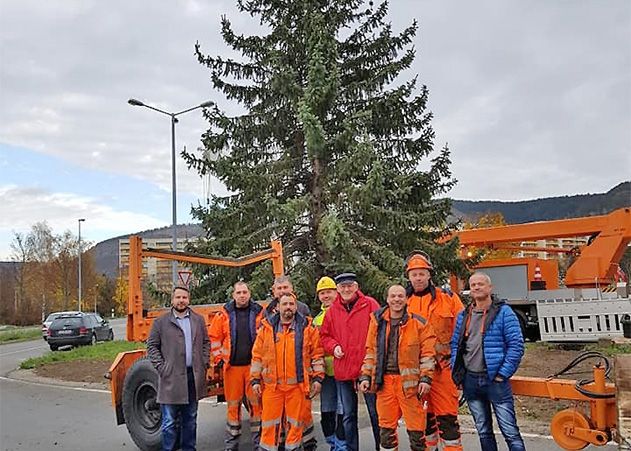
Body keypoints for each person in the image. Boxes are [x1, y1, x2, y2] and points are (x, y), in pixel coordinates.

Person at [451, 272, 526, 451]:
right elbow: (455, 344)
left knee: (510, 431)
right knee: (483, 431)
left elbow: (516, 345)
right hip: (471, 382)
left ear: (490, 288)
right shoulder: (464, 315)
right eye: (473, 285)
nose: (477, 287)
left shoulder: (504, 313)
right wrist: (458, 372)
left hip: (495, 382)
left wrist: (502, 374)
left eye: (481, 284)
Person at [359, 284, 437, 451]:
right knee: (386, 431)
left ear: (406, 299)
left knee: (417, 432)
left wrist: (425, 378)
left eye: (400, 296)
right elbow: (371, 351)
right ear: (387, 299)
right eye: (393, 296)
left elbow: (428, 354)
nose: (396, 299)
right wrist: (365, 376)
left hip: (410, 385)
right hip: (384, 384)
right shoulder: (377, 321)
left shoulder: (419, 323)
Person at [250, 293, 325, 451]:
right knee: (269, 428)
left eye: (291, 304)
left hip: (296, 388)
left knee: (295, 427)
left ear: (296, 306)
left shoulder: (307, 328)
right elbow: (257, 356)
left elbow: (316, 354)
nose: (288, 307)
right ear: (277, 307)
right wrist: (255, 380)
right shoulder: (267, 329)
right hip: (272, 388)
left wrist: (318, 379)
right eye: (284, 304)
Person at [405, 252, 464, 451]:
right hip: (415, 372)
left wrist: (460, 365)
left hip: (443, 370)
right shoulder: (403, 303)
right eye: (414, 274)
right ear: (409, 277)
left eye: (422, 273)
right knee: (424, 423)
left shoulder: (448, 298)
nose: (418, 278)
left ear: (429, 275)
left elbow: (463, 332)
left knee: (448, 421)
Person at [319, 272, 381, 451]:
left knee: (375, 414)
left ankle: (381, 447)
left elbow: (381, 329)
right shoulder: (332, 311)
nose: (346, 289)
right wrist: (333, 346)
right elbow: (324, 336)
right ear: (338, 289)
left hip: (367, 369)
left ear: (356, 287)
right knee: (348, 415)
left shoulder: (369, 304)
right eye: (342, 286)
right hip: (344, 369)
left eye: (349, 285)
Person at [146, 286, 210, 451]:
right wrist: (162, 367)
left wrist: (204, 362)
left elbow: (206, 343)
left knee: (191, 419)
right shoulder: (160, 323)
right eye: (178, 297)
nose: (181, 300)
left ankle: (189, 448)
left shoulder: (198, 320)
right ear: (172, 300)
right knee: (169, 422)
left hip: (192, 378)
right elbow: (152, 346)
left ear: (189, 300)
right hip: (170, 379)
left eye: (184, 297)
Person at [264, 274, 317, 450]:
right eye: (279, 289)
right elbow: (260, 353)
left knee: (300, 418)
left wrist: (316, 377)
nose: (282, 292)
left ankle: (307, 443)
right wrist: (257, 378)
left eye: (285, 288)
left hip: (299, 383)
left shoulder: (304, 317)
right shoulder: (267, 320)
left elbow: (314, 351)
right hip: (275, 385)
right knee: (272, 424)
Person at [209, 281, 264, 450]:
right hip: (232, 369)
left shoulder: (259, 313)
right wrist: (218, 359)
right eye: (239, 292)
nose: (242, 295)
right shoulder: (224, 315)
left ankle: (259, 443)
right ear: (233, 295)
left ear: (249, 294)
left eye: (244, 292)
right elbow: (214, 337)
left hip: (253, 369)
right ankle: (231, 445)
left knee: (257, 407)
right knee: (233, 407)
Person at [312, 276, 346, 450]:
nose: (326, 296)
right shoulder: (316, 319)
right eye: (322, 293)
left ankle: (341, 444)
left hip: (342, 370)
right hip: (325, 372)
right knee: (327, 409)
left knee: (342, 409)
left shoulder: (344, 312)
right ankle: (332, 442)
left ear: (336, 292)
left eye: (329, 292)